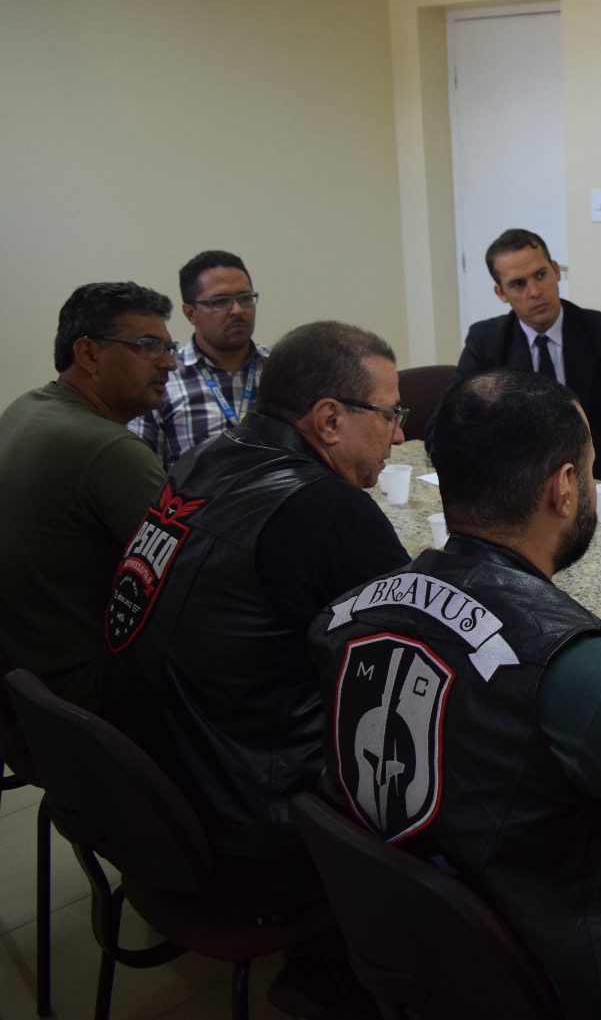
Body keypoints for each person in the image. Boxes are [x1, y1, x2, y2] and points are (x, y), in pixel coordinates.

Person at [311, 369, 601, 1019]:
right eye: (589, 469)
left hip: (455, 952)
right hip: (582, 977)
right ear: (564, 488)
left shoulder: (351, 613)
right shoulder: (584, 677)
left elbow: (497, 655)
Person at [105, 321, 412, 915]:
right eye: (391, 414)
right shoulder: (327, 511)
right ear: (329, 419)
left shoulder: (204, 457)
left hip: (154, 804)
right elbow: (428, 660)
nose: (399, 436)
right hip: (256, 836)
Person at [0, 282, 174, 709]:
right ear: (89, 354)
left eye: (170, 346)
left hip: (29, 690)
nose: (169, 363)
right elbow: (200, 580)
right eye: (148, 346)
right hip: (89, 700)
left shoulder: (26, 409)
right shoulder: (109, 451)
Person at [427, 228, 601, 492]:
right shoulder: (486, 343)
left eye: (540, 275)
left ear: (556, 271)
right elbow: (443, 431)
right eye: (518, 284)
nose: (534, 291)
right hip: (525, 496)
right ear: (501, 293)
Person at [128, 250, 270, 467]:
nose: (238, 310)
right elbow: (142, 474)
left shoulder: (281, 369)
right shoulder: (162, 379)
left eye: (245, 298)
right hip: (202, 501)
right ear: (190, 313)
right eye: (220, 301)